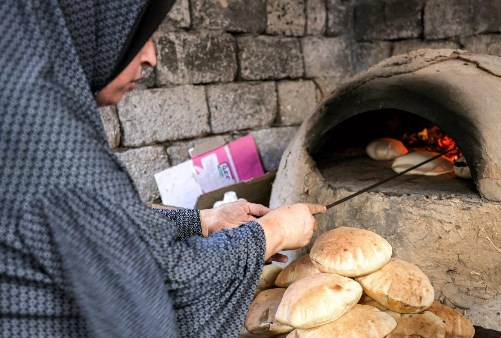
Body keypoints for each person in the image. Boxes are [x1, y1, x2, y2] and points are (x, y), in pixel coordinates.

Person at [0, 1, 325, 337]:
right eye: (139, 37)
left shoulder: (19, 109)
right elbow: (160, 287)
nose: (151, 57)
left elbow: (115, 225)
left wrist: (204, 220)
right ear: (89, 28)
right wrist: (271, 233)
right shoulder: (48, 143)